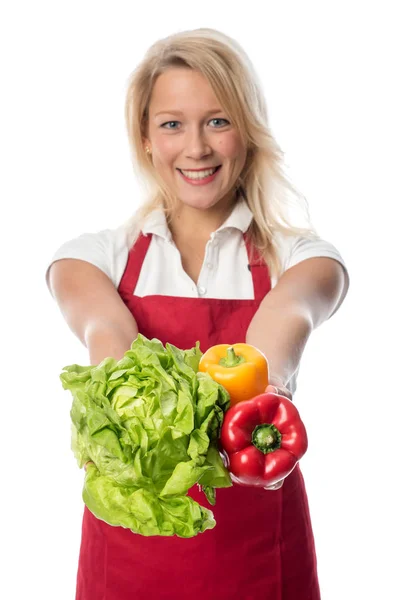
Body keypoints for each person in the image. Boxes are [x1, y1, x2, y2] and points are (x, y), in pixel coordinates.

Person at [46, 28, 349, 600]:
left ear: (248, 132)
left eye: (218, 121)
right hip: (127, 558)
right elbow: (108, 335)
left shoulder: (302, 257)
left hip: (258, 555)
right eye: (171, 124)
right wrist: (127, 408)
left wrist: (269, 388)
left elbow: (284, 320)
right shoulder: (93, 257)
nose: (196, 148)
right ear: (144, 139)